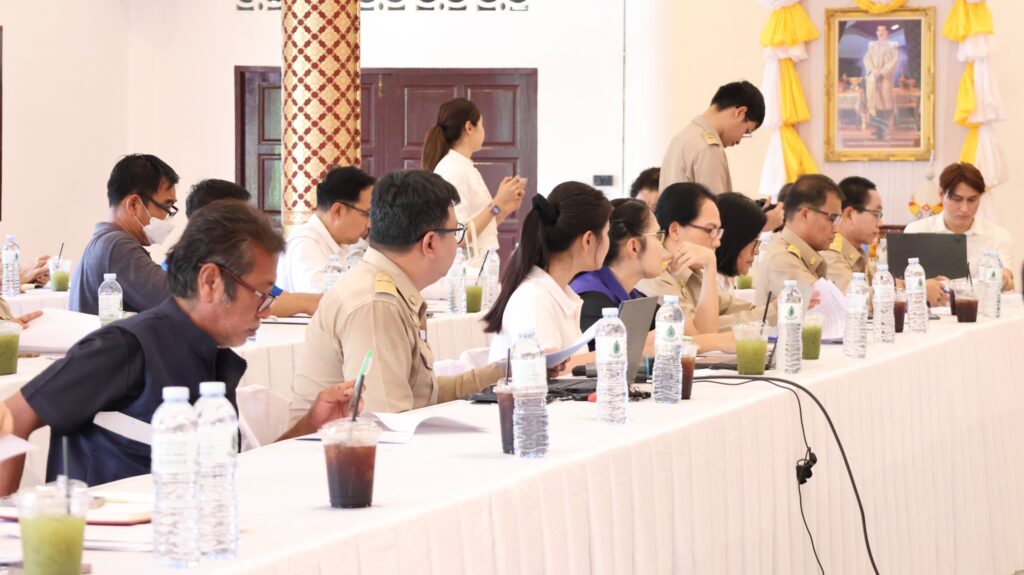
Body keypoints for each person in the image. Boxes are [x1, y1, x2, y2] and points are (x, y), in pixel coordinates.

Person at [0, 202, 357, 495]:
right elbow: (11, 418)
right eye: (261, 293)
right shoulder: (127, 346)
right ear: (210, 281)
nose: (265, 310)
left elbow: (229, 472)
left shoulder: (210, 356)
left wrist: (312, 424)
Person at [292, 171, 508, 416]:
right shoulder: (376, 304)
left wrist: (504, 372)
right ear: (429, 243)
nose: (457, 243)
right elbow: (384, 421)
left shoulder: (389, 288)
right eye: (454, 232)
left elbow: (424, 395)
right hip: (338, 441)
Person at [485, 182, 612, 365]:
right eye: (607, 233)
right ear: (588, 240)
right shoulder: (534, 299)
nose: (608, 241)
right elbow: (545, 374)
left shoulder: (556, 290)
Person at [184, 179, 323, 317]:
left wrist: (307, 301)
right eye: (244, 218)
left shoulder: (238, 262)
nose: (252, 225)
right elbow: (241, 305)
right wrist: (303, 303)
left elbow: (274, 295)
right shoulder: (188, 267)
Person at [70, 154, 179, 315]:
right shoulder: (118, 246)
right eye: (166, 207)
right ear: (134, 205)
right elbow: (179, 302)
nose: (167, 218)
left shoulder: (105, 242)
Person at [423, 98, 526, 264]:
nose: (484, 131)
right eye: (482, 124)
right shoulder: (453, 169)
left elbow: (479, 228)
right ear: (469, 127)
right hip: (465, 272)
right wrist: (497, 203)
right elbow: (458, 236)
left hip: (479, 268)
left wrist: (503, 208)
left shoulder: (465, 166)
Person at [904, 162, 1015, 291]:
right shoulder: (916, 232)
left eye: (972, 200)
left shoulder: (998, 237)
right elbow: (902, 284)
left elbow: (1007, 277)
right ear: (941, 194)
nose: (964, 208)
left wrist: (1003, 279)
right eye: (957, 199)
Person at [276, 166, 375, 293]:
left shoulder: (341, 245)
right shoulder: (305, 246)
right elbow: (325, 300)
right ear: (338, 211)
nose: (369, 224)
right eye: (366, 214)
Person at [571, 199, 663, 334]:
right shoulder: (591, 301)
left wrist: (700, 264)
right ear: (634, 247)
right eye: (658, 236)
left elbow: (681, 327)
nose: (662, 246)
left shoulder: (631, 294)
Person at [659, 81, 765, 195]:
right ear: (740, 112)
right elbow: (717, 204)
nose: (739, 141)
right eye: (747, 131)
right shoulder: (709, 149)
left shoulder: (681, 138)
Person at [754, 174, 844, 303]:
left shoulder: (800, 255)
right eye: (832, 218)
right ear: (805, 215)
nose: (836, 229)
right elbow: (827, 307)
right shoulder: (782, 259)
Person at [821, 176, 881, 292]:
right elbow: (856, 297)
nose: (880, 223)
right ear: (849, 215)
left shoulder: (857, 253)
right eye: (876, 214)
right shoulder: (830, 256)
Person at [864, 25, 899, 140]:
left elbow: (894, 61)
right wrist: (873, 71)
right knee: (875, 106)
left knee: (884, 106)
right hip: (874, 79)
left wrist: (882, 72)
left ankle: (884, 131)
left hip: (885, 80)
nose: (881, 32)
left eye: (883, 30)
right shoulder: (872, 47)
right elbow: (867, 59)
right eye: (879, 30)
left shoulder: (892, 46)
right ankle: (878, 130)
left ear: (887, 32)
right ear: (876, 32)